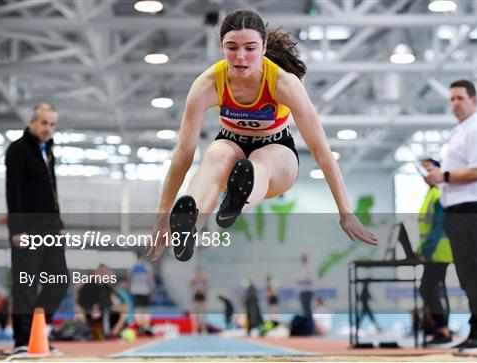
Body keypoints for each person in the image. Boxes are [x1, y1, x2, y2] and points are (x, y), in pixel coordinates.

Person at [148, 9, 377, 262]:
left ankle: (237, 198)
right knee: (216, 155)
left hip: (278, 153)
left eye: (250, 48)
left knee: (261, 159)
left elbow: (322, 151)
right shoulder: (208, 83)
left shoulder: (284, 84)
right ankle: (189, 227)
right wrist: (163, 213)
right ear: (221, 47)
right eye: (232, 47)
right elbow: (184, 153)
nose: (240, 57)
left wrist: (345, 210)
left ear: (264, 47)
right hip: (231, 144)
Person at [425, 80, 477, 352]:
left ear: (474, 100)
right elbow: (460, 172)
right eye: (451, 98)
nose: (455, 103)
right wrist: (439, 176)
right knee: (468, 276)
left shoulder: (476, 130)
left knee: (473, 274)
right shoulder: (460, 131)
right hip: (456, 210)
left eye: (460, 98)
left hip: (470, 209)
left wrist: (443, 176)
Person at [5, 102, 69, 353]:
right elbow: (14, 192)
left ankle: (37, 332)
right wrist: (16, 230)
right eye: (44, 123)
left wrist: (59, 225)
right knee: (26, 283)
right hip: (27, 229)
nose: (48, 129)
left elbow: (53, 192)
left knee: (60, 280)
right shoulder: (18, 150)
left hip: (51, 229)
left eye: (52, 124)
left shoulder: (49, 151)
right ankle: (22, 341)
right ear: (32, 122)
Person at [417, 158, 453, 347]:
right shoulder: (432, 193)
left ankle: (443, 331)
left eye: (430, 170)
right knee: (432, 289)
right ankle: (442, 329)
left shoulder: (439, 193)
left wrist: (426, 250)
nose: (426, 175)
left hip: (439, 251)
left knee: (429, 289)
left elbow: (437, 226)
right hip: (435, 250)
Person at [127, 252, 154, 335]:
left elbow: (129, 280)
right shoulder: (147, 266)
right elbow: (150, 279)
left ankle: (139, 327)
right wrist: (152, 290)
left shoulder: (131, 268)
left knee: (137, 309)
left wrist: (130, 290)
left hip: (135, 291)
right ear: (142, 257)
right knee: (145, 309)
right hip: (145, 291)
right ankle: (146, 327)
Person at [190, 265, 208, 334]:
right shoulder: (193, 279)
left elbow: (206, 288)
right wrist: (193, 294)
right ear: (196, 272)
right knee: (195, 313)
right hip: (196, 296)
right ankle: (195, 329)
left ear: (201, 272)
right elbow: (190, 288)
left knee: (203, 313)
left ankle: (204, 329)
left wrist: (205, 295)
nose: (198, 273)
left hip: (202, 296)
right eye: (197, 272)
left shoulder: (204, 279)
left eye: (199, 272)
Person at [297, 253, 315, 317]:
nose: (302, 259)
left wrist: (303, 281)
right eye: (302, 258)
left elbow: (312, 280)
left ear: (306, 258)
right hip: (302, 290)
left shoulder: (310, 267)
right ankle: (306, 321)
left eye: (304, 258)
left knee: (307, 309)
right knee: (304, 308)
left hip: (308, 291)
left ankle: (309, 323)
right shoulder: (302, 267)